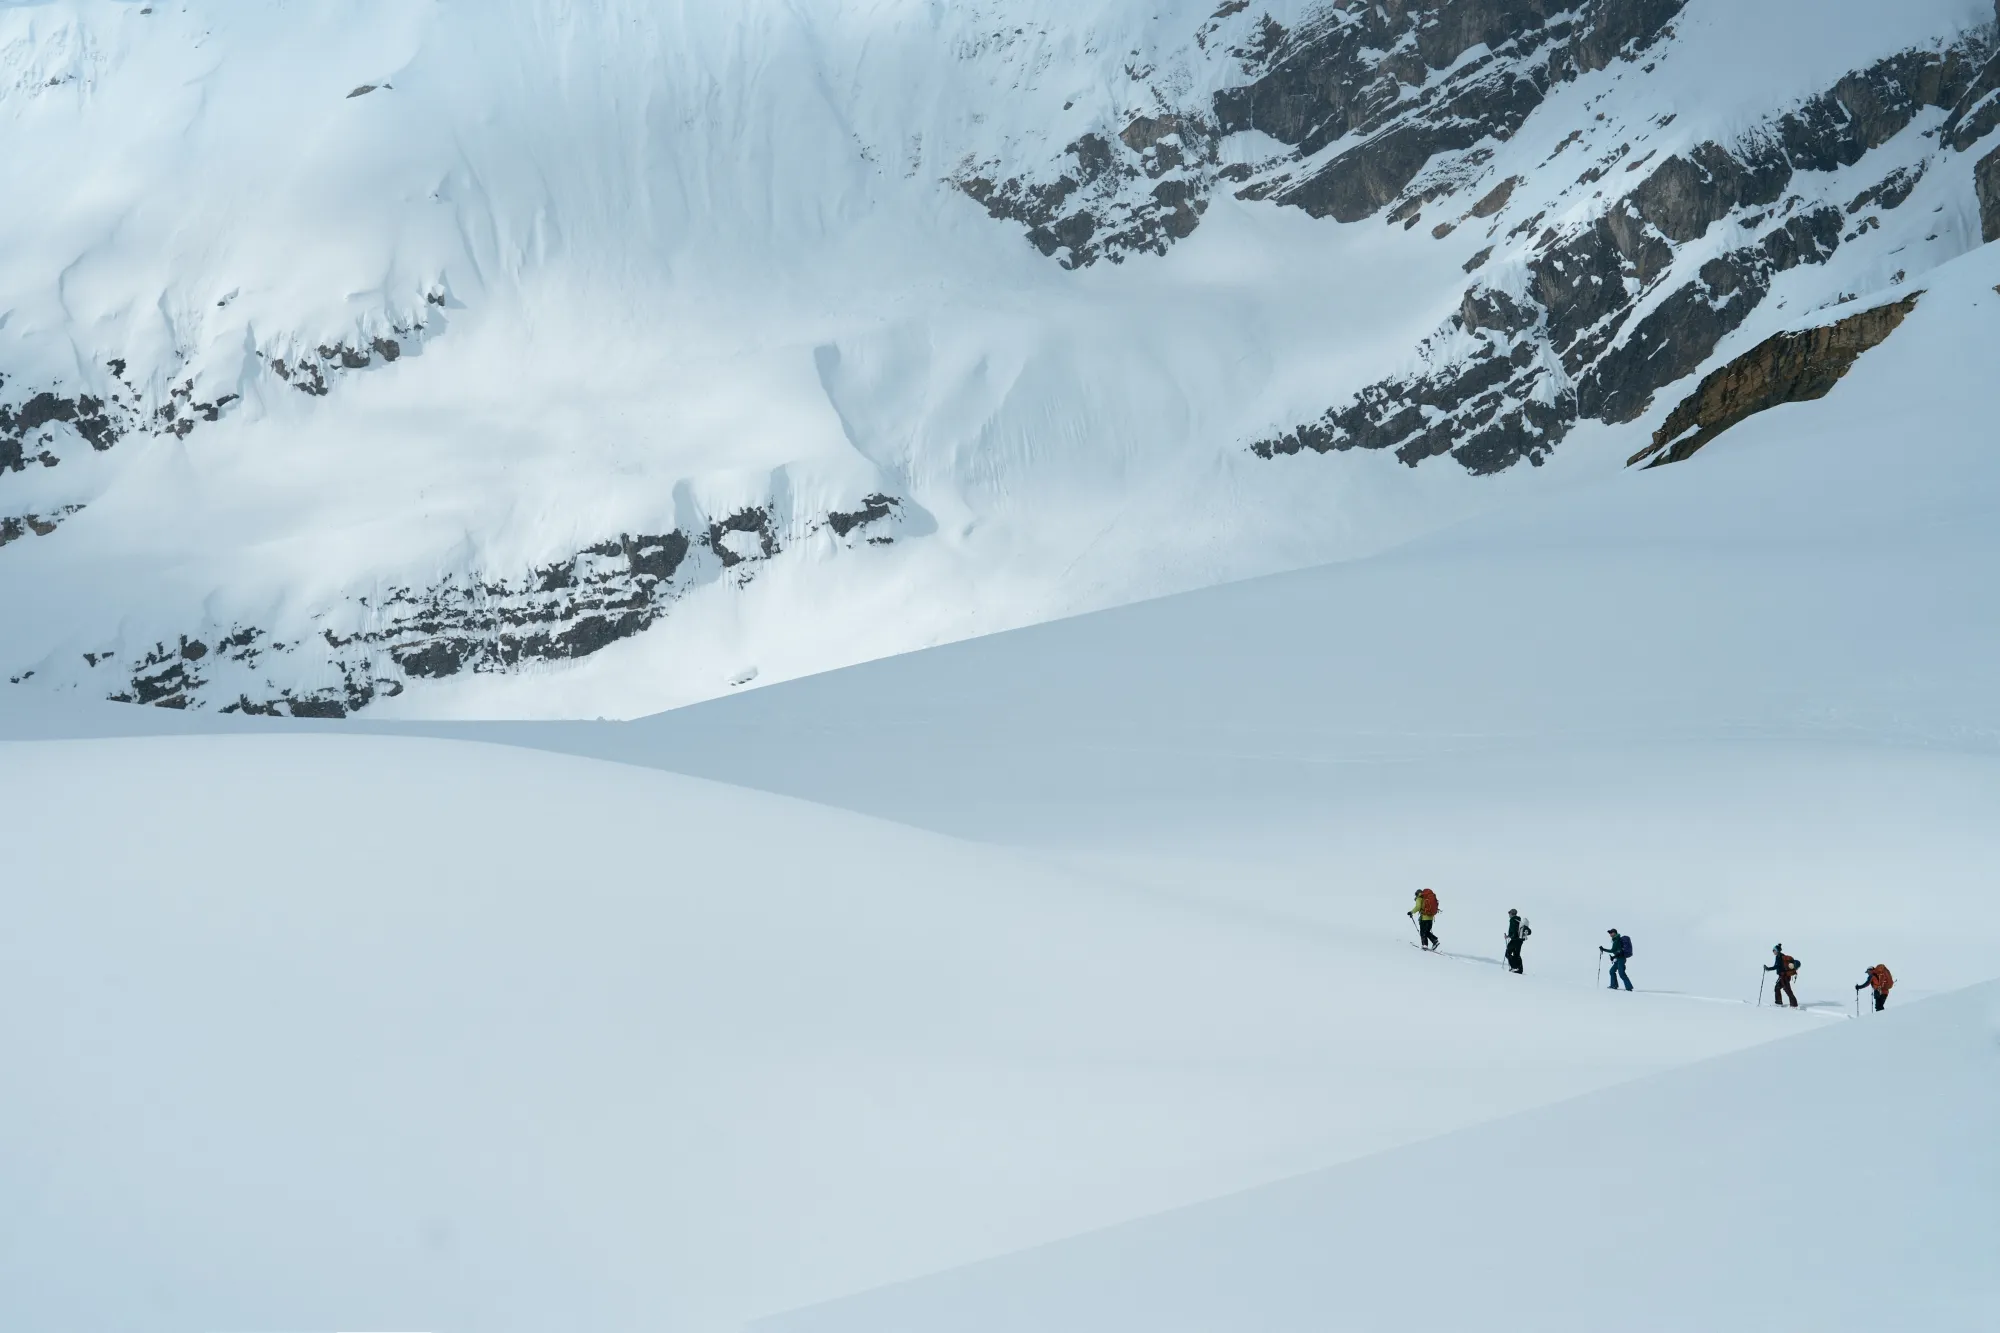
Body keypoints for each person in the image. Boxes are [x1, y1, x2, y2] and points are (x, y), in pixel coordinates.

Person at [1504, 909, 1530, 974]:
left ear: (1512, 914)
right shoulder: (1519, 921)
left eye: (1509, 913)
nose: (1509, 914)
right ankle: (1520, 969)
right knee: (1517, 954)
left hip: (1515, 940)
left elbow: (1513, 932)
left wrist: (1508, 936)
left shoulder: (1513, 920)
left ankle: (1514, 967)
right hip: (1520, 940)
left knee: (1508, 953)